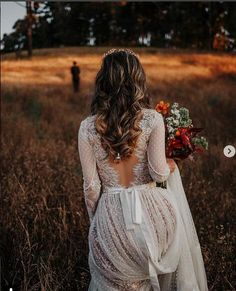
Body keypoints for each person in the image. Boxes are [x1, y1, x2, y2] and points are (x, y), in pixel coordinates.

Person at [78, 48, 208, 290]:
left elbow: (91, 187)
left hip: (111, 213)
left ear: (102, 80)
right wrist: (171, 163)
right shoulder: (151, 119)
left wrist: (96, 220)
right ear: (137, 79)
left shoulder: (87, 128)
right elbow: (158, 173)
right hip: (155, 213)